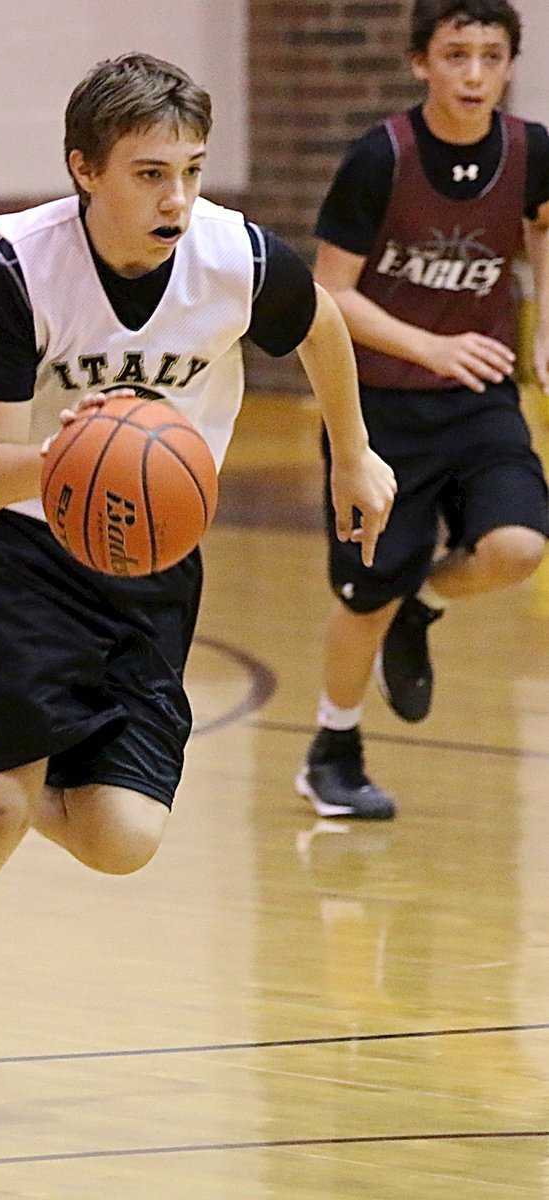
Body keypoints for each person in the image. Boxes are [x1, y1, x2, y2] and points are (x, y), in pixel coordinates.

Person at [0, 51, 396, 1126]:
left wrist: (350, 453)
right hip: (20, 547)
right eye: (148, 173)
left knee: (120, 842)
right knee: (0, 807)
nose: (175, 198)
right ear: (84, 170)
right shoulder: (24, 270)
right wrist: (78, 448)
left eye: (188, 169)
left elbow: (322, 323)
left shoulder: (234, 256)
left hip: (150, 558)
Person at [295, 0, 549, 822]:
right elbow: (328, 293)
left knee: (516, 547)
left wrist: (542, 322)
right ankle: (332, 749)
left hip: (478, 400)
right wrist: (428, 345)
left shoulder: (529, 151)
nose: (473, 74)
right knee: (364, 593)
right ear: (420, 63)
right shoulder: (381, 157)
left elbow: (540, 229)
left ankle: (423, 608)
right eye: (454, 55)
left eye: (489, 55)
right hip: (377, 411)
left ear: (510, 63)